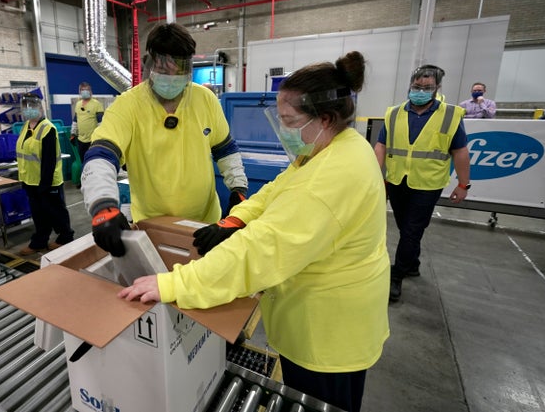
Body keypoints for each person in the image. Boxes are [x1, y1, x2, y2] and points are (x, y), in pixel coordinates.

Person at [118, 52, 390, 412]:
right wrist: (236, 219)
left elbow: (261, 250)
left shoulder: (330, 178)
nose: (283, 129)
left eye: (289, 120)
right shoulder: (335, 147)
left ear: (324, 118)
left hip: (326, 333)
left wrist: (174, 284)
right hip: (334, 315)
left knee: (320, 403)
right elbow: (278, 190)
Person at [81, 22, 248, 256]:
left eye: (179, 69)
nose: (172, 77)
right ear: (149, 64)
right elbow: (101, 156)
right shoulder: (127, 107)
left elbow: (225, 149)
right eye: (164, 68)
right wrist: (103, 205)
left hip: (204, 224)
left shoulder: (205, 99)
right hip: (153, 226)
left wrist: (238, 188)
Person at [374, 65, 470, 302]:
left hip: (428, 183)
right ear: (411, 85)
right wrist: (374, 176)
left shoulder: (450, 115)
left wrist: (463, 185)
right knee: (405, 225)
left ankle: (396, 277)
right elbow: (381, 146)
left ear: (437, 88)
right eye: (417, 86)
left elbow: (460, 152)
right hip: (397, 180)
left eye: (427, 87)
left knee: (411, 230)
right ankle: (413, 264)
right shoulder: (394, 113)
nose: (421, 91)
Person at [15, 92, 74, 256]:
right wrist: (25, 180)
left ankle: (65, 237)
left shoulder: (48, 128)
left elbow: (49, 160)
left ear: (40, 108)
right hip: (30, 180)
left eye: (32, 107)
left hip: (48, 181)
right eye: (25, 107)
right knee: (38, 214)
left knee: (56, 211)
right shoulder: (25, 127)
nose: (29, 110)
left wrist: (45, 184)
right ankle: (39, 241)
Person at [70, 82, 104, 165]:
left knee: (93, 162)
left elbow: (101, 122)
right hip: (81, 140)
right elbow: (75, 120)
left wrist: (101, 138)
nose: (84, 91)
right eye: (82, 90)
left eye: (87, 89)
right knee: (84, 162)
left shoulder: (97, 104)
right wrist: (73, 133)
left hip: (93, 140)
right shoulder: (78, 104)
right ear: (79, 92)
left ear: (91, 91)